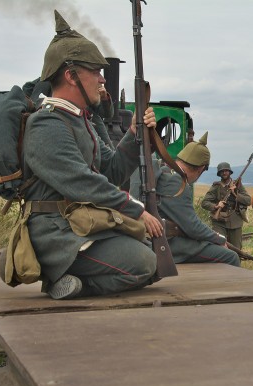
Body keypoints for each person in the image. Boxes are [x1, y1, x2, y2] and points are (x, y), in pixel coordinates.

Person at [21, 10, 162, 300]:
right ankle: (59, 280)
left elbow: (110, 171)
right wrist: (135, 208)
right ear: (71, 75)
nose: (102, 80)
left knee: (149, 259)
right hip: (56, 234)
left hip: (83, 224)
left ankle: (75, 282)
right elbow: (81, 182)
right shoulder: (47, 123)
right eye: (95, 72)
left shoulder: (80, 119)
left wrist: (134, 134)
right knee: (144, 264)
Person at [130, 132, 240, 267]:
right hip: (166, 243)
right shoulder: (178, 182)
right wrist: (219, 238)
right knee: (230, 256)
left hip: (156, 238)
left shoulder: (166, 171)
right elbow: (192, 227)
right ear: (200, 168)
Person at [201, 161, 251, 249]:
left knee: (236, 248)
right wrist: (216, 206)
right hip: (219, 221)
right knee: (219, 247)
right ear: (219, 173)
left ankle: (235, 263)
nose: (224, 172)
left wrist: (235, 194)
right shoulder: (216, 186)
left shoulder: (237, 185)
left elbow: (248, 200)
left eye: (226, 170)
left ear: (230, 172)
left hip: (235, 221)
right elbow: (204, 203)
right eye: (222, 171)